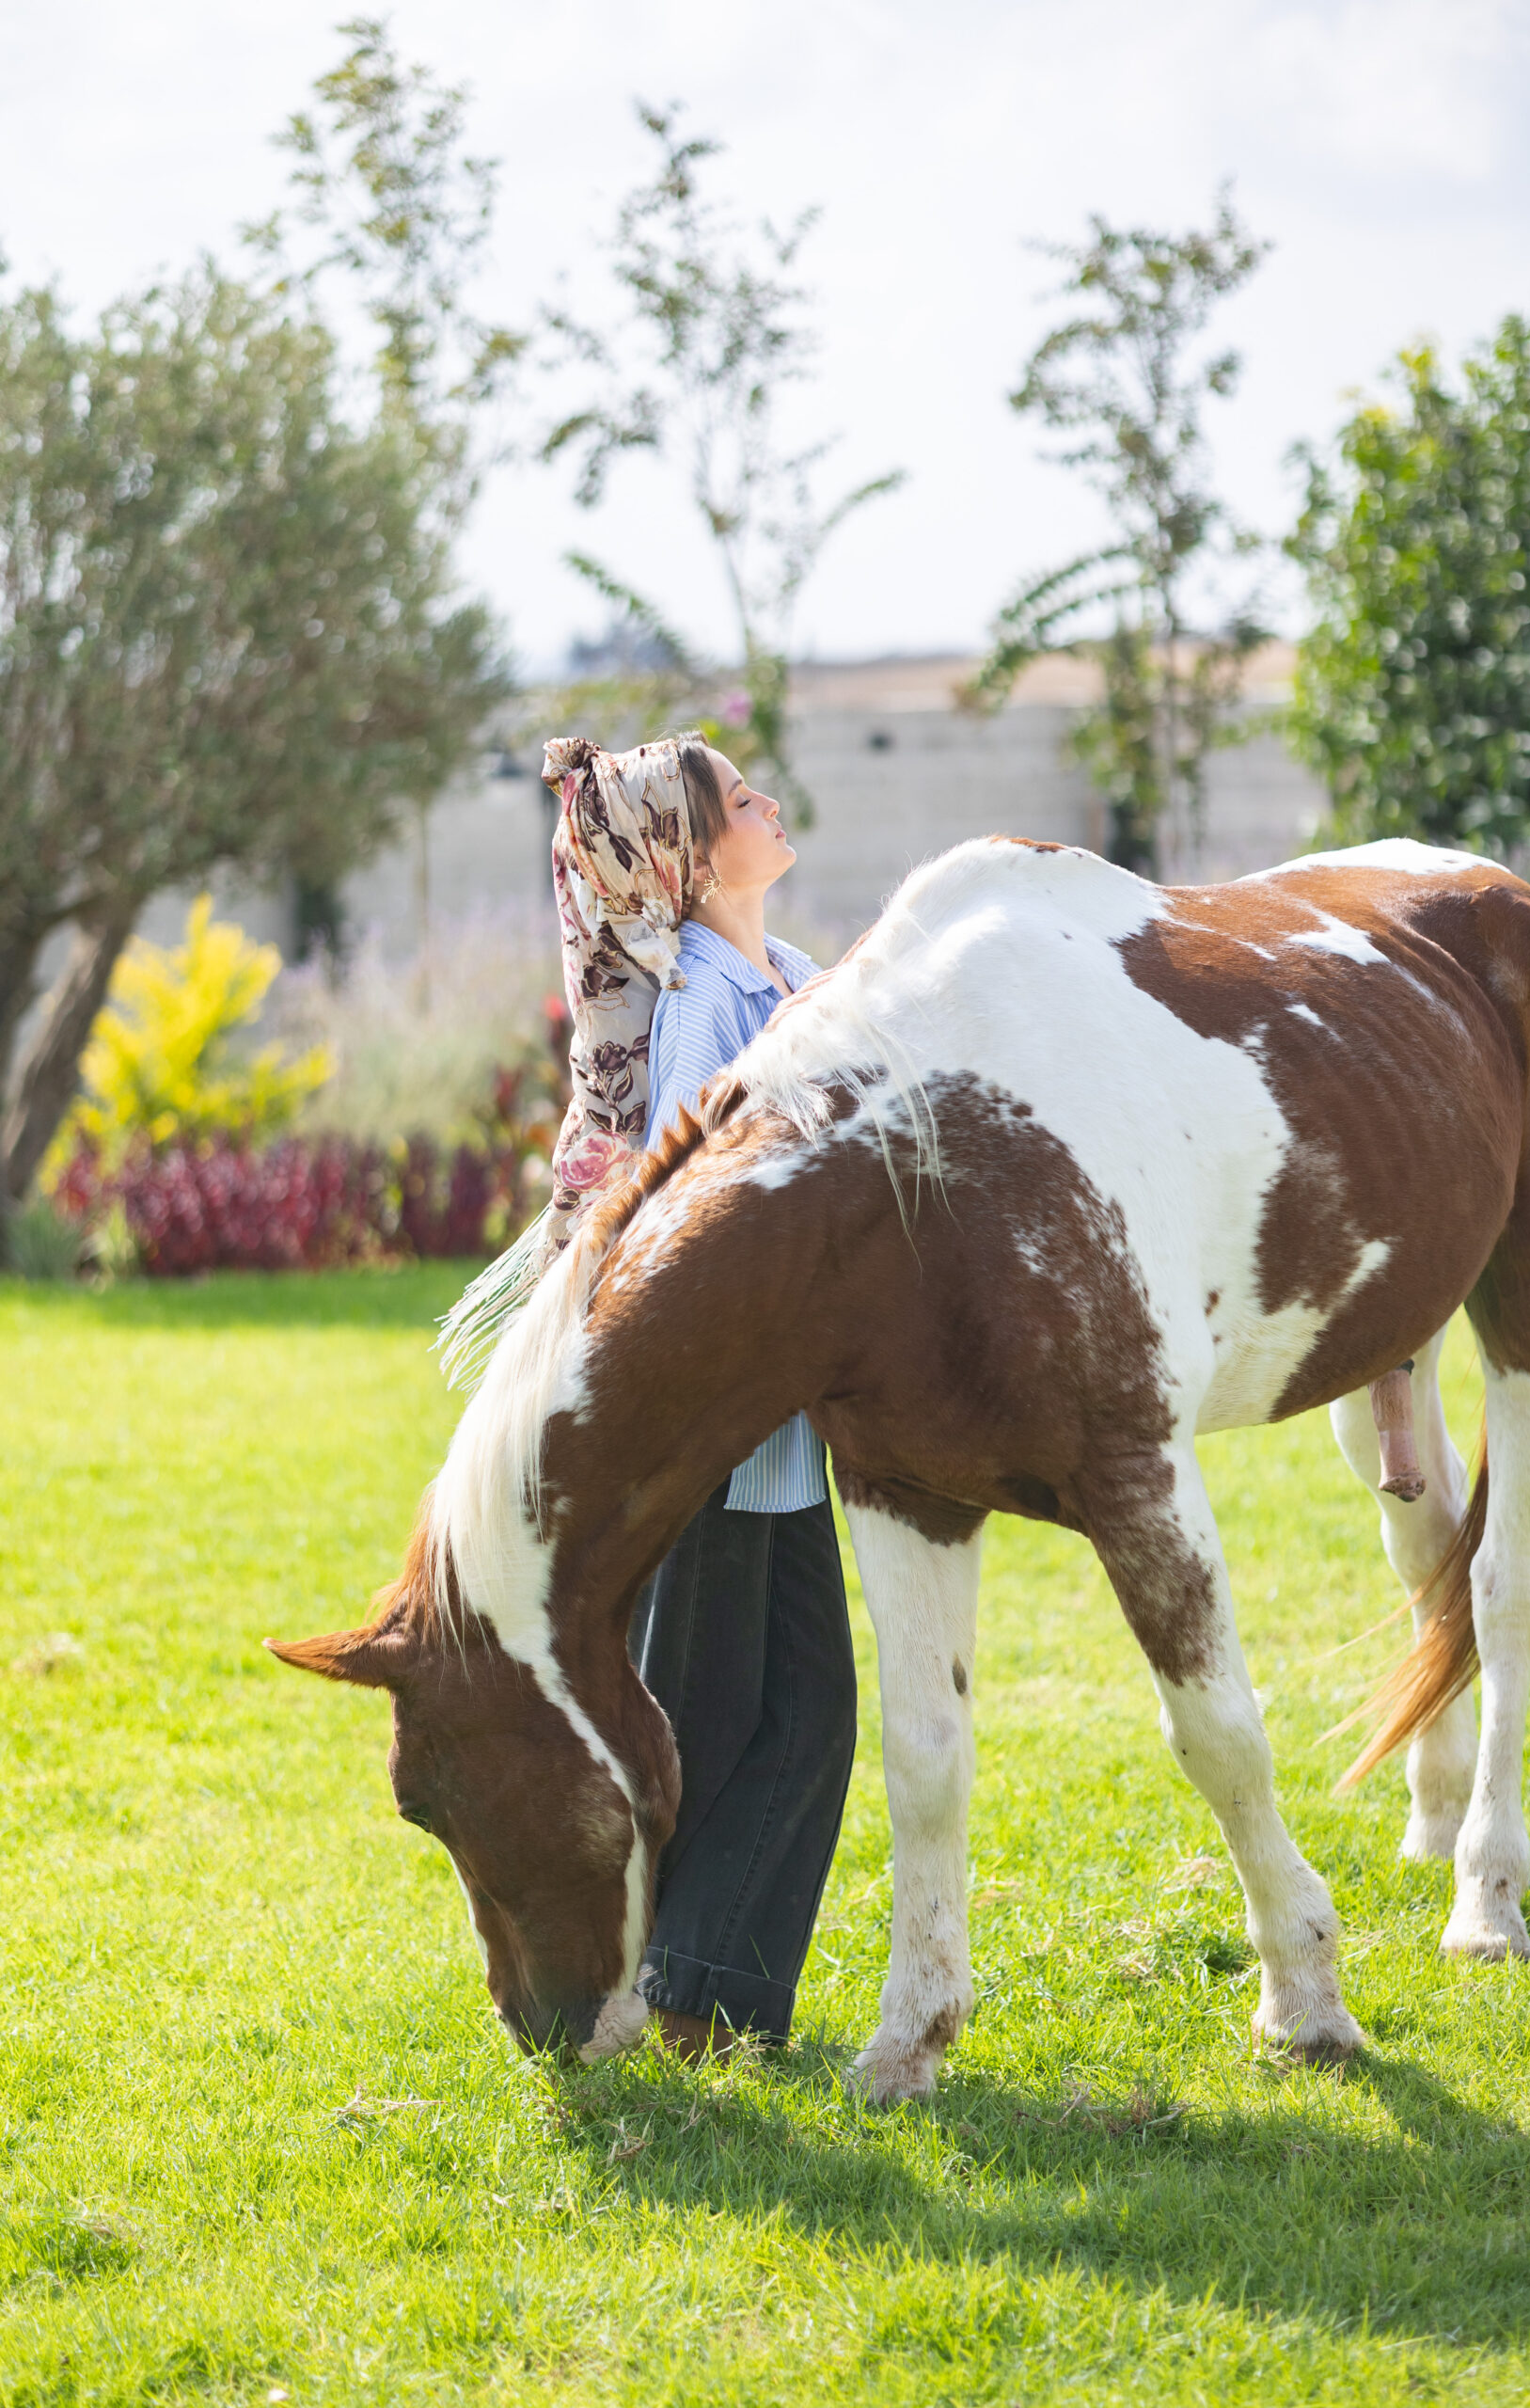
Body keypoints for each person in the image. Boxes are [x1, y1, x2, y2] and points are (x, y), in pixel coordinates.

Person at [629, 736, 857, 2060]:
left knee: (811, 1711)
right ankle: (661, 1995)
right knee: (702, 1719)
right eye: (746, 801)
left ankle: (711, 1991)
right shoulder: (699, 1009)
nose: (775, 804)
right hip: (716, 1433)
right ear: (703, 857)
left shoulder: (804, 985)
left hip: (794, 1431)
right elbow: (691, 1214)